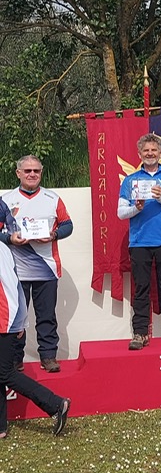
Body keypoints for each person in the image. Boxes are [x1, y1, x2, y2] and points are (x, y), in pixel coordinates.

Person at [1, 155, 73, 373]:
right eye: (27, 171)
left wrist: (54, 235)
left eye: (36, 171)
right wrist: (9, 238)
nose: (32, 174)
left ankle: (48, 356)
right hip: (14, 270)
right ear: (18, 173)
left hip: (47, 268)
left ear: (41, 173)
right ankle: (14, 360)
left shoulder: (53, 198)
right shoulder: (6, 199)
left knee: (47, 316)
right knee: (16, 318)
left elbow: (68, 225)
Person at [117, 133, 161, 350]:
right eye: (146, 150)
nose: (150, 153)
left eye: (153, 150)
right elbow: (121, 213)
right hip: (139, 242)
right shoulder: (130, 180)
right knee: (141, 289)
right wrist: (136, 208)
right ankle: (140, 333)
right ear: (139, 154)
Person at [0, 241, 70, 439]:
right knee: (2, 372)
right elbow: (16, 284)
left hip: (4, 319)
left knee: (5, 373)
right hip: (8, 318)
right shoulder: (5, 248)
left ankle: (55, 403)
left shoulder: (2, 249)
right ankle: (1, 427)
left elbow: (11, 287)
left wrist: (19, 321)